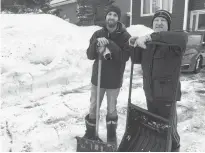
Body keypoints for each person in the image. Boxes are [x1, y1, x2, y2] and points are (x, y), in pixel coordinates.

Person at [129, 10, 188, 152]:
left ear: (168, 25)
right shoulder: (150, 44)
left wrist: (149, 36)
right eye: (156, 21)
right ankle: (160, 148)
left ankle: (174, 149)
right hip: (150, 92)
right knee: (156, 126)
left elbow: (184, 37)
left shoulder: (174, 41)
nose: (159, 23)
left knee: (169, 129)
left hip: (167, 94)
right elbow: (136, 59)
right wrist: (133, 43)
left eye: (163, 21)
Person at [83, 5, 131, 144]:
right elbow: (90, 55)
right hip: (97, 79)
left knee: (111, 109)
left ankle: (111, 135)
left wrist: (110, 43)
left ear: (118, 18)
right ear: (106, 17)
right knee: (93, 107)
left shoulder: (125, 36)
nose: (112, 17)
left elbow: (124, 57)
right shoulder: (98, 34)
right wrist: (96, 44)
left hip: (114, 81)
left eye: (115, 15)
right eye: (109, 14)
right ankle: (91, 133)